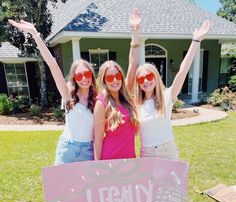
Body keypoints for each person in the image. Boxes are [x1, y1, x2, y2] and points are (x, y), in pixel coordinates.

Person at [8, 19, 96, 165]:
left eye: (87, 74)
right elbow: (53, 65)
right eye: (79, 75)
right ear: (74, 78)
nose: (84, 79)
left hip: (88, 151)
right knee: (59, 187)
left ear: (92, 75)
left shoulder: (98, 98)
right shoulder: (68, 95)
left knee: (83, 188)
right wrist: (35, 34)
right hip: (67, 148)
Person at [135, 20, 211, 160]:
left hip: (167, 151)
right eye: (140, 79)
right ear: (138, 84)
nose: (145, 81)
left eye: (149, 76)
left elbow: (182, 72)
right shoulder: (136, 104)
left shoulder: (166, 96)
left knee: (172, 183)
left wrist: (195, 41)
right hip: (147, 153)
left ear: (156, 77)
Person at [93, 9, 141, 160]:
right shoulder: (101, 103)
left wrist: (134, 31)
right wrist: (96, 166)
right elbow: (97, 139)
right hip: (110, 159)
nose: (114, 80)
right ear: (104, 80)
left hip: (129, 159)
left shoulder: (126, 95)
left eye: (117, 75)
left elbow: (133, 63)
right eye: (109, 77)